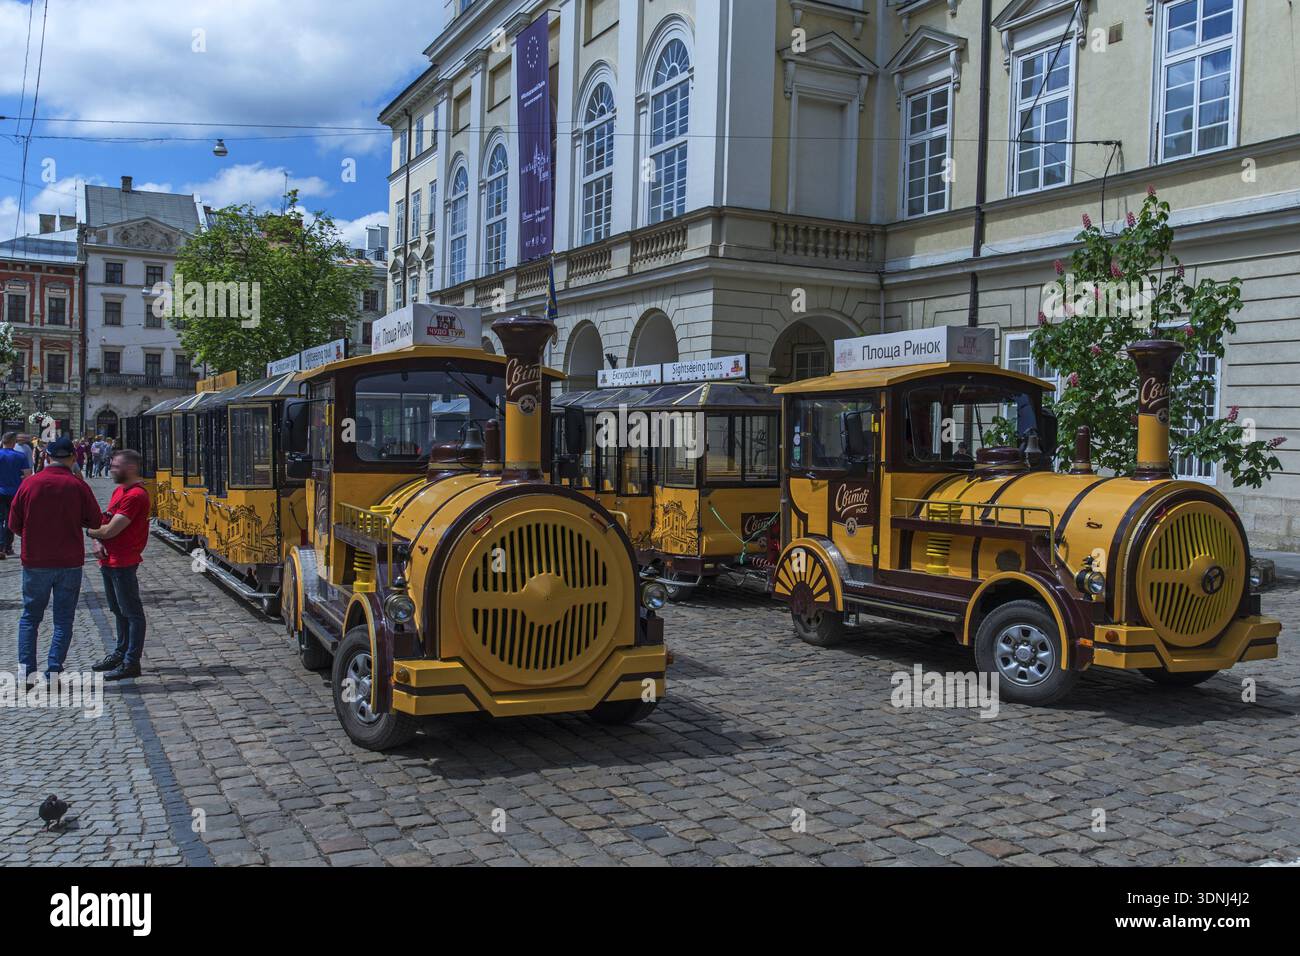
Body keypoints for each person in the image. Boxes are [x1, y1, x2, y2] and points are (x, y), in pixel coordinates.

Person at [7, 436, 103, 684]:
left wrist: (33, 536)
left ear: (47, 457)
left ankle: (26, 672)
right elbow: (94, 521)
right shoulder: (78, 486)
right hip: (69, 561)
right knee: (63, 618)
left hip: (35, 560)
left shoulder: (29, 485)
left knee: (30, 617)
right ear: (73, 458)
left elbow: (14, 524)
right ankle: (54, 671)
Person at [87, 449, 151, 681]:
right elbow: (102, 522)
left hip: (124, 561)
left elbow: (110, 529)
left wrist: (90, 532)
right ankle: (120, 652)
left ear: (130, 468)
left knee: (132, 613)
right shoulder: (119, 491)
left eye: (116, 466)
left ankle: (131, 661)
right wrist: (96, 540)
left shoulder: (135, 496)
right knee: (117, 609)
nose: (112, 469)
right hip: (109, 560)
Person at [0, 432, 32, 559]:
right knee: (10, 519)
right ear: (13, 442)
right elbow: (28, 475)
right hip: (15, 492)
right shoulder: (20, 456)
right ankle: (8, 547)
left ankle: (0, 545)